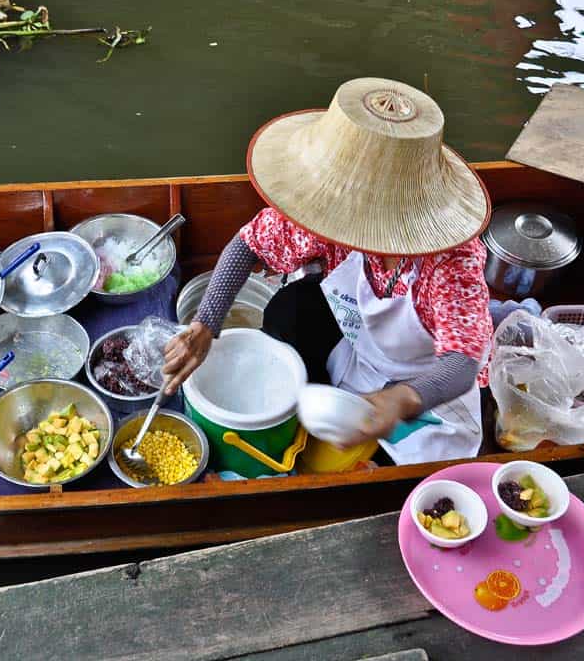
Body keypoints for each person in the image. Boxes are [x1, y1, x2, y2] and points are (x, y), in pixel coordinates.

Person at [162, 77, 493, 465]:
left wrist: (397, 400)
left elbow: (460, 363)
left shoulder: (453, 259)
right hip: (359, 348)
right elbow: (247, 245)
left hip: (427, 384)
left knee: (402, 467)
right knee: (291, 307)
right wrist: (205, 325)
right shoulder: (332, 212)